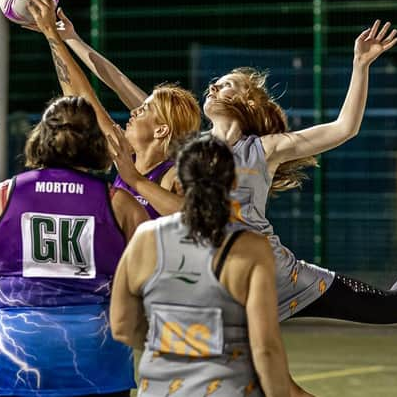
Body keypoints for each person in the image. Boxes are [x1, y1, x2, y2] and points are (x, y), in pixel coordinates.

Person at [54, 12, 397, 324]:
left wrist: (360, 66)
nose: (213, 86)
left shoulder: (264, 150)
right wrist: (72, 38)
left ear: (241, 102)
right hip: (221, 284)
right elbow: (120, 86)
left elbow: (345, 128)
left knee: (390, 308)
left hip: (280, 275)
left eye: (224, 83)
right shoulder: (190, 148)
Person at [0, 95, 150, 397]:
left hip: (14, 353)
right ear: (97, 143)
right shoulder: (120, 204)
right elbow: (146, 287)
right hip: (95, 354)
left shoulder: (1, 197)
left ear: (41, 137)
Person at [109, 134, 295, 397]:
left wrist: (174, 344)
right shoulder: (250, 247)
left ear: (178, 185)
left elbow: (121, 326)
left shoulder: (146, 239)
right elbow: (265, 346)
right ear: (232, 183)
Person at [24, 0, 201, 219]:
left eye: (145, 108)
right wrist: (53, 36)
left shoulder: (173, 173)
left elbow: (195, 217)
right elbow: (82, 99)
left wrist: (135, 181)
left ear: (162, 129)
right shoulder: (127, 156)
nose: (135, 110)